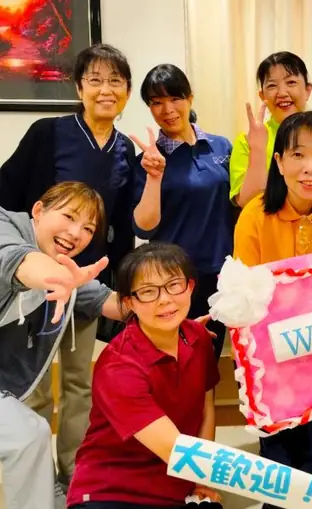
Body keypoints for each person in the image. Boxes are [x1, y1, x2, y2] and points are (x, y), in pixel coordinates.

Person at [0, 43, 136, 492]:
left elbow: (128, 224)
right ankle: (35, 472)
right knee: (36, 382)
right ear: (79, 87)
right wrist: (33, 260)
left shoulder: (126, 151)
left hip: (85, 281)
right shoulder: (48, 132)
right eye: (95, 79)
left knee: (80, 382)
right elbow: (7, 190)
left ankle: (72, 473)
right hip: (32, 280)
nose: (105, 89)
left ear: (127, 91)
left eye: (115, 80)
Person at [233, 111, 312, 509]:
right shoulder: (254, 215)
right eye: (297, 155)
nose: (309, 168)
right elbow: (244, 297)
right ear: (279, 161)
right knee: (280, 478)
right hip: (274, 362)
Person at [66, 243, 222, 509]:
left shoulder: (199, 338)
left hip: (177, 485)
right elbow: (173, 449)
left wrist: (203, 482)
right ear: (129, 302)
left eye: (174, 285)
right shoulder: (119, 366)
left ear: (191, 286)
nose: (165, 299)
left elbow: (206, 410)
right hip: (112, 491)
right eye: (148, 292)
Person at [0, 182, 124, 509]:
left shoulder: (63, 270)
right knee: (29, 432)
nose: (75, 233)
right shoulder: (5, 227)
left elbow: (111, 302)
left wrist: (168, 311)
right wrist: (56, 279)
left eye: (87, 228)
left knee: (30, 434)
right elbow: (17, 261)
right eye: (68, 216)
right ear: (38, 211)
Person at [131, 63, 234, 358]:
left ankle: (208, 408)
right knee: (175, 359)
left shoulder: (220, 147)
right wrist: (154, 177)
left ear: (190, 98)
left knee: (209, 358)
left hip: (220, 273)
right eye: (156, 102)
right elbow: (143, 228)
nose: (167, 109)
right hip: (171, 278)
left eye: (174, 98)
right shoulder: (149, 160)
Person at [230, 51, 312, 208]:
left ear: (308, 89)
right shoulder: (248, 141)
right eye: (272, 85)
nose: (282, 93)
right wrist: (258, 149)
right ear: (262, 95)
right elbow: (247, 203)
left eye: (291, 82)